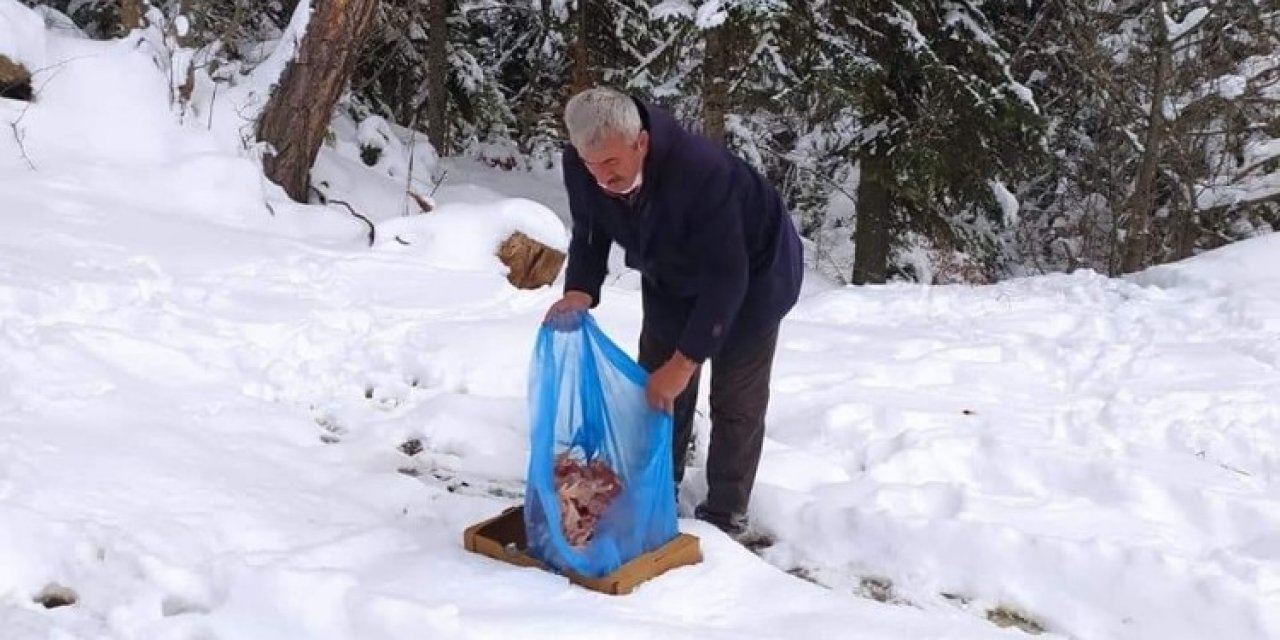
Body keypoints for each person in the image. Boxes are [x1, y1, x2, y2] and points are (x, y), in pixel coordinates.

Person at [544, 87, 803, 538]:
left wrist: (686, 362)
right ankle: (656, 490)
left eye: (612, 164)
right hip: (668, 273)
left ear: (641, 142)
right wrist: (581, 290)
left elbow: (728, 279)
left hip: (752, 280)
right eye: (592, 166)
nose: (603, 178)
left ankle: (725, 515)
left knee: (734, 398)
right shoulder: (584, 165)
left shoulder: (701, 171)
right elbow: (590, 229)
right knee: (657, 389)